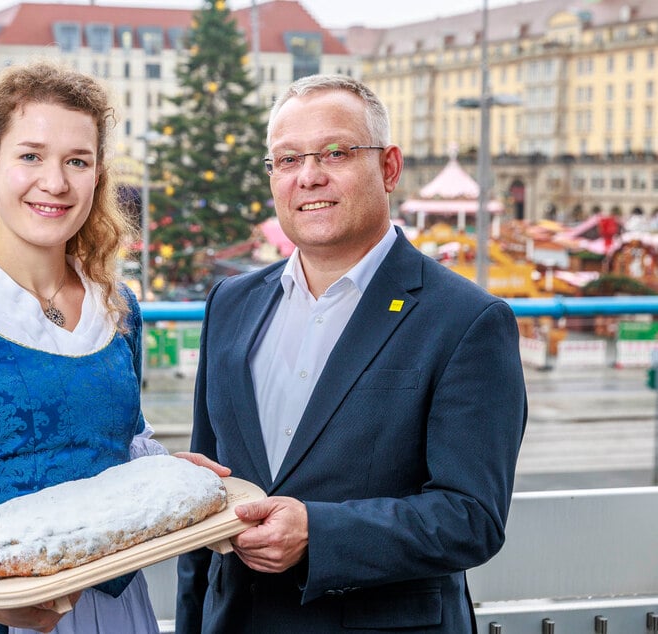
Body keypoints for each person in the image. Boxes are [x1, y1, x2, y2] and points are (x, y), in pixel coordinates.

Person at [0, 61, 225, 634]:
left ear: (98, 176)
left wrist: (167, 473)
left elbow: (120, 444)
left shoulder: (117, 307)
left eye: (77, 161)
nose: (55, 182)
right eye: (30, 155)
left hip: (120, 611)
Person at [176, 74, 528, 633]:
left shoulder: (467, 320)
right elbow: (207, 492)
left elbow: (472, 518)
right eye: (287, 160)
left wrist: (318, 531)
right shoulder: (231, 304)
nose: (309, 176)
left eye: (335, 153)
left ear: (388, 168)